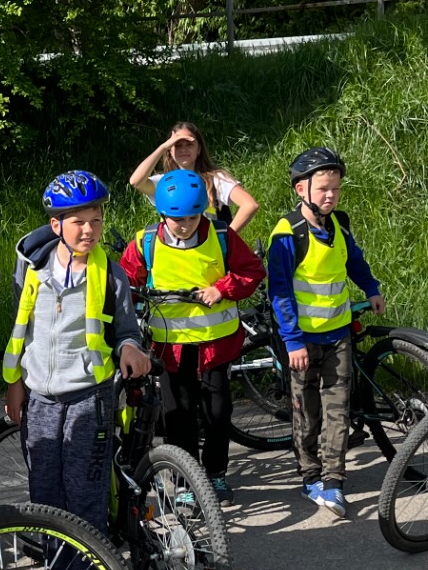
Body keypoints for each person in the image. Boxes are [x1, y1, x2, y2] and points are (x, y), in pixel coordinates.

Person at [3, 171, 153, 570]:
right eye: (79, 222)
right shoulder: (32, 270)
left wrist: (130, 349)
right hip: (38, 398)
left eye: (97, 220)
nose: (89, 230)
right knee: (46, 495)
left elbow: (125, 329)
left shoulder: (111, 274)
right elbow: (21, 329)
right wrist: (15, 383)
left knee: (85, 495)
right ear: (56, 226)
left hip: (91, 396)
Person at [119, 169, 264, 496]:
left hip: (216, 346)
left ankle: (215, 473)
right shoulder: (147, 242)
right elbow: (125, 282)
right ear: (162, 215)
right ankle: (185, 481)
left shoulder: (222, 236)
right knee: (178, 416)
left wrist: (222, 289)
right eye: (176, 219)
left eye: (192, 217)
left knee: (218, 413)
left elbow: (251, 271)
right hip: (170, 349)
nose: (184, 225)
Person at [269, 147, 384, 520]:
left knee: (338, 409)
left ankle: (333, 480)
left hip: (336, 335)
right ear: (301, 189)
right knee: (306, 411)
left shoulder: (338, 225)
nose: (330, 195)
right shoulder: (287, 234)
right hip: (302, 340)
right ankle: (310, 475)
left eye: (335, 188)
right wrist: (292, 341)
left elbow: (354, 260)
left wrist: (371, 288)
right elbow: (281, 291)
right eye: (322, 189)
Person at [130, 121, 259, 232]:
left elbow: (250, 205)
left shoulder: (215, 179)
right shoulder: (165, 182)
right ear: (170, 151)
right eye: (178, 145)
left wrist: (227, 238)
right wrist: (163, 147)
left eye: (189, 144)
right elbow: (136, 182)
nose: (183, 149)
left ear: (199, 149)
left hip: (210, 254)